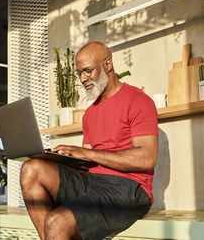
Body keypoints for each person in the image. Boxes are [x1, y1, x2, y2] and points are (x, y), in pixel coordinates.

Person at [19, 41, 159, 240]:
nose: (83, 78)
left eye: (88, 71)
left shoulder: (138, 101)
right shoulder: (90, 113)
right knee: (31, 168)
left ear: (108, 65)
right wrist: (57, 159)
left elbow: (147, 158)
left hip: (128, 187)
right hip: (92, 183)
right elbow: (85, 163)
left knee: (56, 221)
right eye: (79, 73)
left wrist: (85, 153)